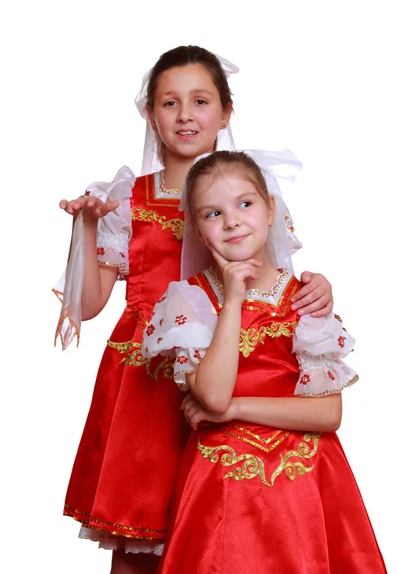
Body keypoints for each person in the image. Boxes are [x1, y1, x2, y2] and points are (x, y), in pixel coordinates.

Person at [56, 46, 333, 574]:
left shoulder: (242, 192)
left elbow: (275, 283)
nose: (185, 115)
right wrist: (86, 226)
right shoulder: (125, 199)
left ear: (225, 112)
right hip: (148, 383)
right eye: (169, 103)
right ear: (150, 115)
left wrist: (320, 288)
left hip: (234, 371)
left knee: (222, 531)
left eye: (200, 101)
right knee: (140, 535)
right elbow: (88, 307)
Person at [143, 150, 387, 573]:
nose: (232, 220)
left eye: (245, 203)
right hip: (221, 487)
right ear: (199, 231)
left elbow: (328, 413)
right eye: (213, 213)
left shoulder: (306, 299)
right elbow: (214, 395)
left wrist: (238, 409)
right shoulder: (190, 300)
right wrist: (233, 300)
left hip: (307, 483)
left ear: (271, 208)